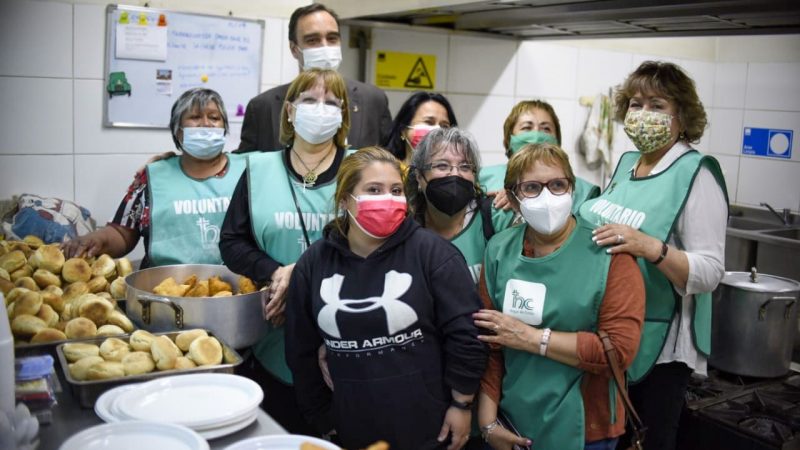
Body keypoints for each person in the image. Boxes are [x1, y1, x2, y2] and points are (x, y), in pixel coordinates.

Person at [285, 146, 488, 450]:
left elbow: (466, 336)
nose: (388, 198)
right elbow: (300, 348)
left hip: (429, 429)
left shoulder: (433, 254)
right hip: (350, 428)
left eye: (395, 190)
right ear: (345, 199)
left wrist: (462, 404)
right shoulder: (314, 263)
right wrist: (320, 417)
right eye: (374, 189)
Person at [578, 61, 728, 450]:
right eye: (636, 103)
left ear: (682, 116)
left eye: (657, 105)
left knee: (647, 442)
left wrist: (651, 248)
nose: (644, 114)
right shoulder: (628, 164)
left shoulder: (697, 174)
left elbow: (710, 272)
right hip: (615, 328)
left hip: (662, 345)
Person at [474, 143, 646, 450]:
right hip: (510, 422)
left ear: (572, 188)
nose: (547, 197)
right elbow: (491, 346)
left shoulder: (608, 254)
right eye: (531, 187)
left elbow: (618, 352)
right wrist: (488, 424)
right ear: (513, 197)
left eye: (557, 185)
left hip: (586, 429)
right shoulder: (500, 250)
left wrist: (530, 338)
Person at [219, 68, 352, 434]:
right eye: (309, 100)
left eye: (331, 102)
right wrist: (278, 273)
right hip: (273, 329)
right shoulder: (258, 168)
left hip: (345, 332)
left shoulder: (362, 168)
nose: (320, 108)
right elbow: (232, 242)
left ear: (343, 115)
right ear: (290, 111)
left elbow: (375, 242)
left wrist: (302, 273)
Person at [62, 88, 244, 267]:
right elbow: (123, 233)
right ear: (178, 130)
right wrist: (97, 239)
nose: (205, 124)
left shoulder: (247, 172)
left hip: (237, 287)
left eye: (214, 118)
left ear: (224, 128)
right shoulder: (152, 176)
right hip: (164, 287)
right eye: (195, 117)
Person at [237, 4, 391, 152]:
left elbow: (391, 159)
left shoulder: (372, 100)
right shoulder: (263, 107)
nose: (325, 46)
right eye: (312, 40)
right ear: (294, 49)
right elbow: (246, 166)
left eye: (332, 38)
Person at [406, 127, 513, 284]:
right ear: (419, 177)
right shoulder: (407, 230)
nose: (455, 174)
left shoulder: (497, 215)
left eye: (465, 167)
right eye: (442, 166)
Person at [480, 100, 600, 214]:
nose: (537, 135)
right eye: (527, 128)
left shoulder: (584, 192)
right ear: (509, 139)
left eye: (546, 129)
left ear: (557, 141)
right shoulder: (482, 179)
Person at [384, 91, 458, 165]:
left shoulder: (454, 173)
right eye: (429, 122)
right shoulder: (388, 172)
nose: (437, 130)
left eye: (444, 126)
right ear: (403, 130)